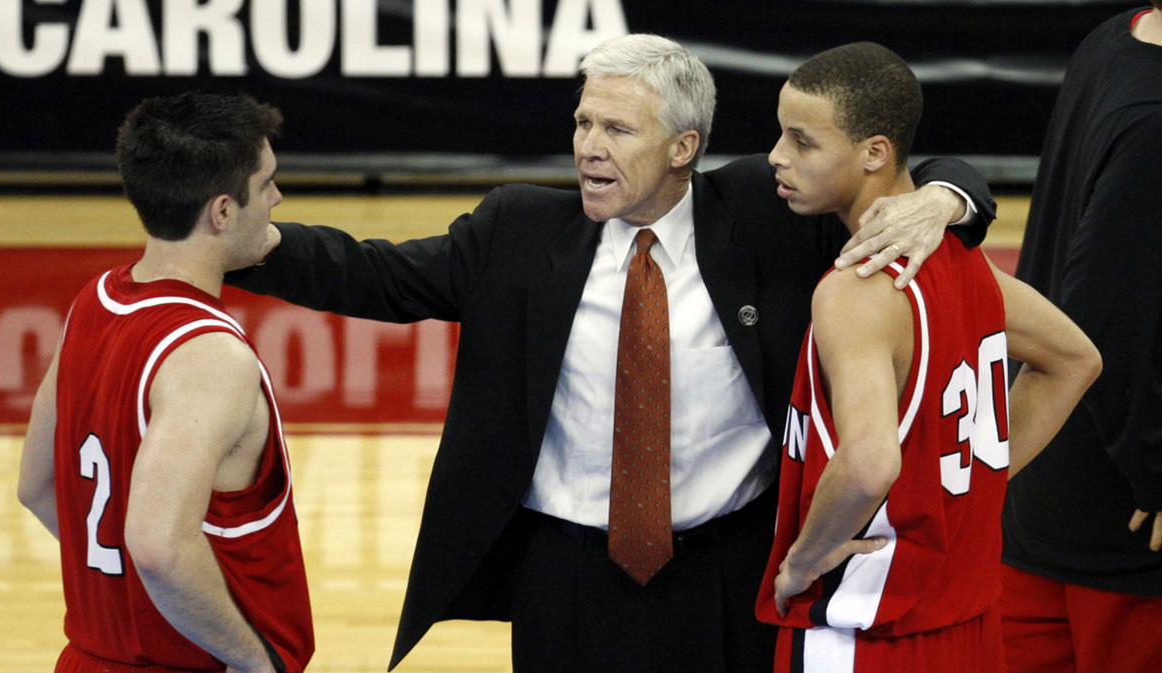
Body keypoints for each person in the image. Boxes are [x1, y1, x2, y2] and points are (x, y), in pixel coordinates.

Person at [227, 34, 995, 672]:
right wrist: (246, 243)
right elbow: (375, 274)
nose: (589, 147)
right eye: (584, 122)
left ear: (683, 146)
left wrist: (947, 198)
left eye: (618, 130)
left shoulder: (771, 213)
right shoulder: (518, 230)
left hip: (733, 571)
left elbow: (883, 167)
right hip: (565, 580)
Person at [753, 42, 1101, 673]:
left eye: (802, 142)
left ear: (874, 153)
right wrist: (971, 482)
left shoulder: (854, 291)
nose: (777, 155)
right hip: (968, 620)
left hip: (870, 628)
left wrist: (803, 560)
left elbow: (867, 463)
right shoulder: (969, 267)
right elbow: (1075, 359)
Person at [17, 92, 314, 673]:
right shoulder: (209, 356)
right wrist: (255, 661)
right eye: (268, 182)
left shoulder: (92, 301)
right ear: (223, 211)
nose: (278, 198)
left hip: (86, 658)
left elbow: (37, 486)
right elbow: (157, 547)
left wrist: (131, 599)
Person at [999, 4, 1162, 672]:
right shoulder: (1155, 118)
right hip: (1127, 529)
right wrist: (1157, 470)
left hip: (1044, 499)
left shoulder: (1115, 39)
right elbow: (1106, 321)